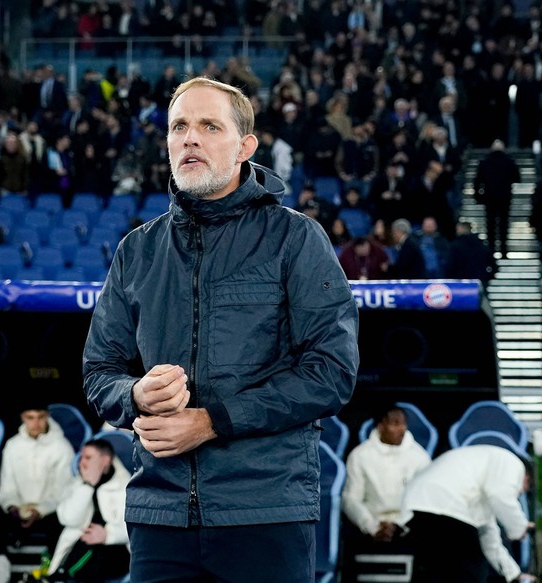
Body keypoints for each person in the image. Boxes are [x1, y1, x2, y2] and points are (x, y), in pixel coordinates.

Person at [82, 76, 359, 583]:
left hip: (265, 512)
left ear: (245, 147)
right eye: (179, 127)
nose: (190, 138)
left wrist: (212, 421)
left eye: (209, 126)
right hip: (158, 514)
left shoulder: (295, 239)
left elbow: (331, 373)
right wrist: (136, 394)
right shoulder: (136, 251)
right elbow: (100, 372)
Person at [399, 444, 535, 583]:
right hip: (446, 505)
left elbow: (489, 539)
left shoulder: (478, 481)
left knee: (433, 572)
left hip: (417, 506)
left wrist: (514, 575)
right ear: (526, 478)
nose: (518, 494)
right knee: (472, 570)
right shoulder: (513, 464)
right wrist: (519, 527)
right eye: (521, 490)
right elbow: (501, 496)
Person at [340, 403, 431, 583]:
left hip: (408, 527)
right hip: (370, 527)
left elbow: (423, 501)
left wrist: (398, 525)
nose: (402, 429)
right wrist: (371, 526)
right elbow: (351, 499)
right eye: (395, 423)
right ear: (380, 426)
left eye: (404, 424)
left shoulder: (419, 457)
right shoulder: (360, 455)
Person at [48, 439, 130, 582]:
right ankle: (60, 574)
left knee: (97, 554)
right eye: (81, 458)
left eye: (88, 458)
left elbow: (134, 528)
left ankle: (61, 575)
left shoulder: (125, 487)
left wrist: (107, 535)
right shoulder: (78, 483)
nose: (82, 463)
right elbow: (67, 519)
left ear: (105, 460)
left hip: (116, 549)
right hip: (82, 544)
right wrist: (87, 486)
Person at [0, 401, 74, 551]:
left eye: (40, 417)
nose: (36, 423)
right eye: (30, 417)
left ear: (48, 416)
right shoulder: (12, 445)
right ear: (22, 418)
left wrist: (40, 511)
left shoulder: (62, 447)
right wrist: (13, 508)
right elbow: (7, 486)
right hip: (17, 511)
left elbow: (63, 491)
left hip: (51, 512)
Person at [474, 140, 521, 257]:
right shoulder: (509, 162)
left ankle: (491, 250)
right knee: (503, 225)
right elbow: (517, 178)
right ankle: (504, 250)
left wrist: (478, 196)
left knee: (490, 225)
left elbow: (477, 181)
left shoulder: (485, 162)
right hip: (505, 197)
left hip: (489, 198)